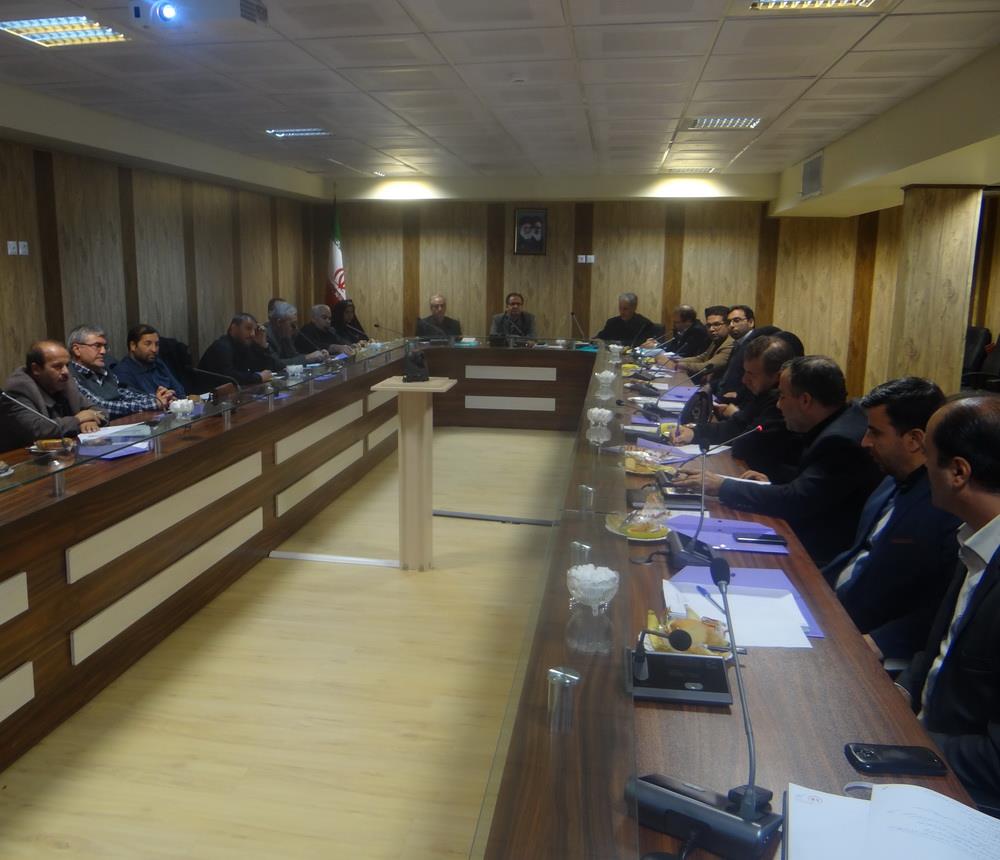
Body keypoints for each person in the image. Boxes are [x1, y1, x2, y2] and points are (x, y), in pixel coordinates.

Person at [676, 356, 882, 566]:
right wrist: (774, 481)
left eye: (782, 396)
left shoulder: (839, 441)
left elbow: (796, 501)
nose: (778, 404)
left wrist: (721, 486)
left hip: (815, 554)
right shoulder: (843, 417)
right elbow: (816, 485)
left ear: (805, 400)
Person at [896, 396, 1000, 811]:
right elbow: (939, 648)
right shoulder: (976, 536)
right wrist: (897, 693)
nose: (922, 466)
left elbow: (995, 760)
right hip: (922, 744)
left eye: (928, 454)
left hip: (962, 795)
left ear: (958, 472)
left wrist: (899, 740)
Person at [821, 378, 960, 664]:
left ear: (914, 440)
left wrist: (881, 642)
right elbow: (857, 553)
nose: (864, 442)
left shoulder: (946, 506)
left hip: (870, 646)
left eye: (875, 432)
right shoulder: (889, 479)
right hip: (831, 614)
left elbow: (945, 605)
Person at [673, 336, 803, 476]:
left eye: (751, 374)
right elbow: (735, 426)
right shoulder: (762, 392)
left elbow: (744, 446)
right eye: (744, 371)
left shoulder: (782, 404)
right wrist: (695, 432)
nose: (744, 380)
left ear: (777, 376)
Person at [0, 341, 104, 450]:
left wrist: (89, 421)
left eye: (67, 365)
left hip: (64, 451)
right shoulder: (18, 389)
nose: (66, 372)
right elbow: (38, 430)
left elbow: (100, 410)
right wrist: (77, 420)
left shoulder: (65, 381)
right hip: (21, 456)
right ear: (36, 369)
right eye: (57, 366)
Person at [67, 324, 172, 418]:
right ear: (77, 350)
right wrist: (154, 403)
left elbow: (126, 394)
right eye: (97, 346)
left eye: (105, 346)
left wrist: (160, 398)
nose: (103, 351)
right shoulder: (70, 376)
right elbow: (100, 406)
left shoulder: (104, 371)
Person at [198, 314, 281, 387]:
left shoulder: (246, 344)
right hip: (207, 395)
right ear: (234, 327)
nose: (252, 334)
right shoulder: (222, 346)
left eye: (254, 330)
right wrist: (258, 377)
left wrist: (263, 345)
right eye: (248, 328)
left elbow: (267, 370)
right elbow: (229, 376)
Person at [113, 324, 186, 398]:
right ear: (133, 345)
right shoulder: (123, 372)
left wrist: (172, 396)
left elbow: (180, 390)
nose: (154, 349)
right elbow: (134, 401)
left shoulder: (158, 363)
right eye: (148, 344)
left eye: (157, 344)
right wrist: (159, 400)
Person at [658, 305, 732, 377]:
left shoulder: (729, 344)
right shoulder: (717, 340)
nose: (711, 329)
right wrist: (674, 361)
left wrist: (677, 365)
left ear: (728, 324)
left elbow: (708, 366)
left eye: (716, 324)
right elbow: (701, 358)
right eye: (709, 325)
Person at [713, 305, 756, 402]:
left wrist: (739, 394)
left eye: (736, 320)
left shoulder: (755, 345)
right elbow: (726, 377)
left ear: (750, 322)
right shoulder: (738, 343)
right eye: (729, 322)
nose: (731, 325)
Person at [265, 301, 328, 366]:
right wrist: (307, 358)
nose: (295, 328)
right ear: (279, 322)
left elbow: (293, 356)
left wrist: (316, 357)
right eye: (292, 324)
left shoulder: (284, 334)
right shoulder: (266, 336)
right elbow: (275, 364)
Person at [594, 293, 661, 345]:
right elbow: (600, 337)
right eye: (620, 308)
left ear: (634, 307)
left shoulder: (644, 324)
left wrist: (619, 343)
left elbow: (644, 344)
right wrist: (595, 340)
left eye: (625, 309)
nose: (622, 312)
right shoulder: (612, 322)